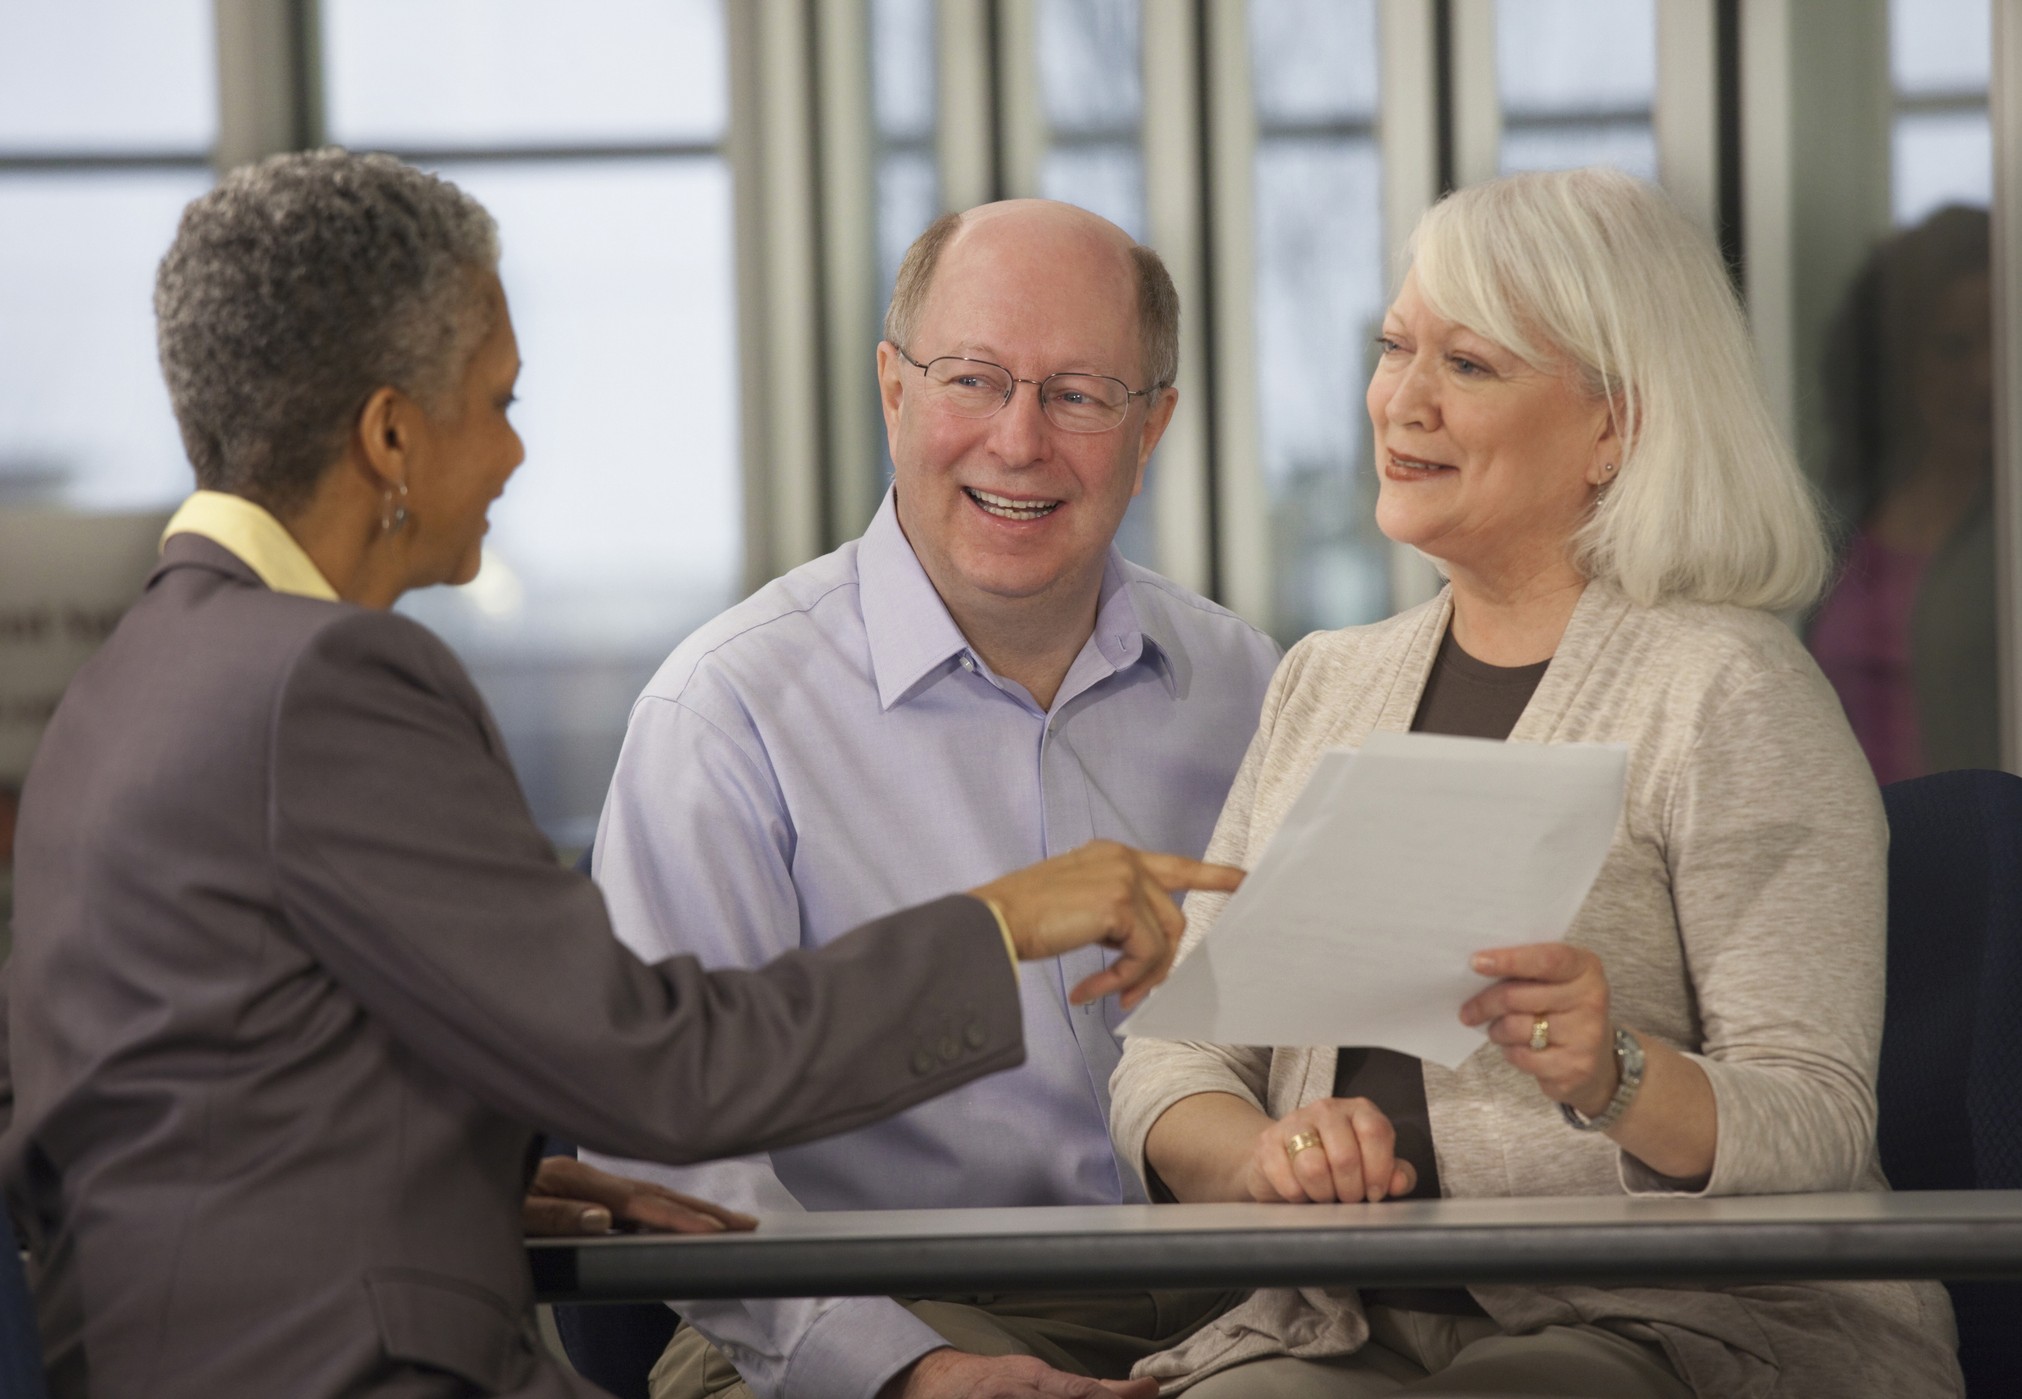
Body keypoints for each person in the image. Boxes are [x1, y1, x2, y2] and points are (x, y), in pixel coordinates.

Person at [0, 151, 1236, 1399]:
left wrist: (474, 1177)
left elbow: (197, 1096)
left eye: (1077, 394)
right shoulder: (328, 684)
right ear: (390, 437)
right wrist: (1005, 921)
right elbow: (658, 1059)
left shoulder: (138, 677)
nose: (516, 456)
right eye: (498, 402)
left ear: (1150, 424)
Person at [1109, 168, 1964, 1398]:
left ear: (1613, 427)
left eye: (1469, 365)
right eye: (1395, 346)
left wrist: (1616, 1075)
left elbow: (1817, 1119)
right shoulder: (1324, 683)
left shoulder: (1727, 687)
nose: (1402, 400)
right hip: (1344, 1329)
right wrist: (1269, 1152)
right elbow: (1171, 1066)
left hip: (1681, 1326)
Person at [582, 199, 1281, 1399]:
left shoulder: (1251, 686)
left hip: (1239, 1313)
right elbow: (662, 1147)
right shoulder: (725, 713)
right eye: (973, 379)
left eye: (1077, 393)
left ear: (1154, 423)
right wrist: (917, 1371)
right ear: (893, 390)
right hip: (867, 1316)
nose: (1018, 441)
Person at [1808, 205, 1995, 784]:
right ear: (1901, 360)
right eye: (1955, 347)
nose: (1986, 376)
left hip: (1982, 861)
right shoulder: (1843, 518)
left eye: (2005, 342)